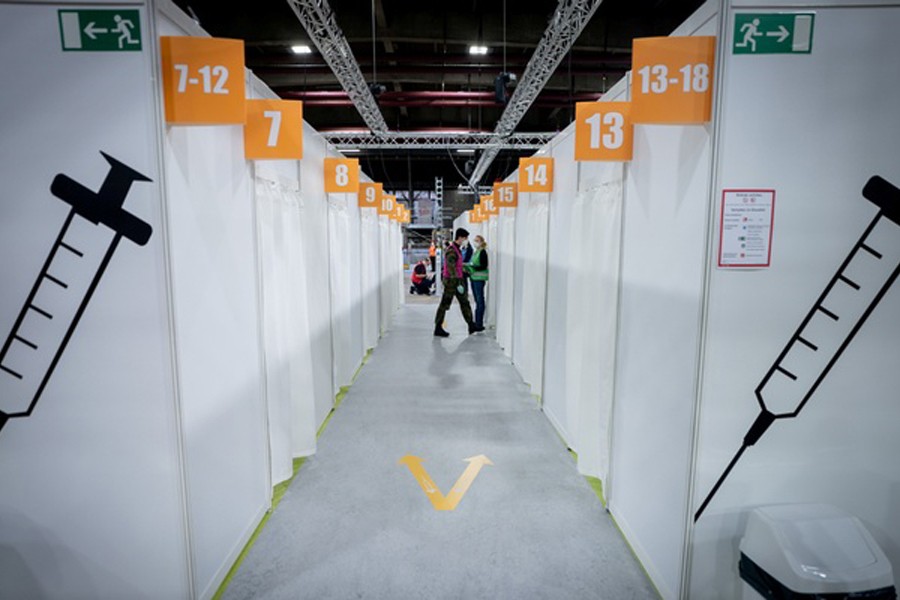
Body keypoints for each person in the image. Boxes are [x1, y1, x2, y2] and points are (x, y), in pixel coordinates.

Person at [434, 228, 482, 337]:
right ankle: (438, 327)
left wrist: (463, 270)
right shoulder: (452, 250)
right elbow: (451, 268)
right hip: (451, 281)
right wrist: (457, 282)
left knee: (465, 302)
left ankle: (471, 325)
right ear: (460, 237)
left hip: (458, 280)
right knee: (445, 304)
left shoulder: (457, 249)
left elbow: (457, 265)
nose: (466, 240)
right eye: (465, 238)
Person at [465, 235, 489, 329]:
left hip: (479, 279)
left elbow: (483, 265)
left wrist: (472, 267)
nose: (475, 242)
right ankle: (477, 321)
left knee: (480, 301)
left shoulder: (482, 252)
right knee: (477, 301)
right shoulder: (476, 252)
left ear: (481, 242)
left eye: (477, 240)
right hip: (473, 278)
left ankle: (479, 323)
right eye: (475, 240)